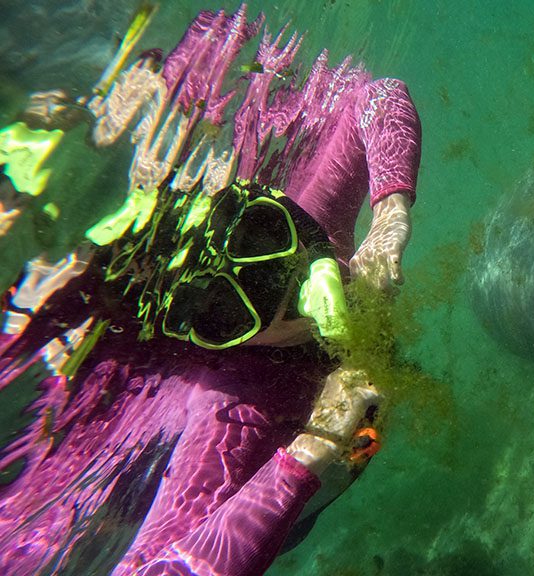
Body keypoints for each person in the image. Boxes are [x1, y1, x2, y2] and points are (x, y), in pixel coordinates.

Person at [0, 5, 421, 575]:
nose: (297, 292)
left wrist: (390, 220)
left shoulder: (315, 222)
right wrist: (309, 453)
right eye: (229, 311)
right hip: (263, 505)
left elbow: (376, 97)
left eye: (269, 234)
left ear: (277, 213)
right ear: (219, 339)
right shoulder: (231, 418)